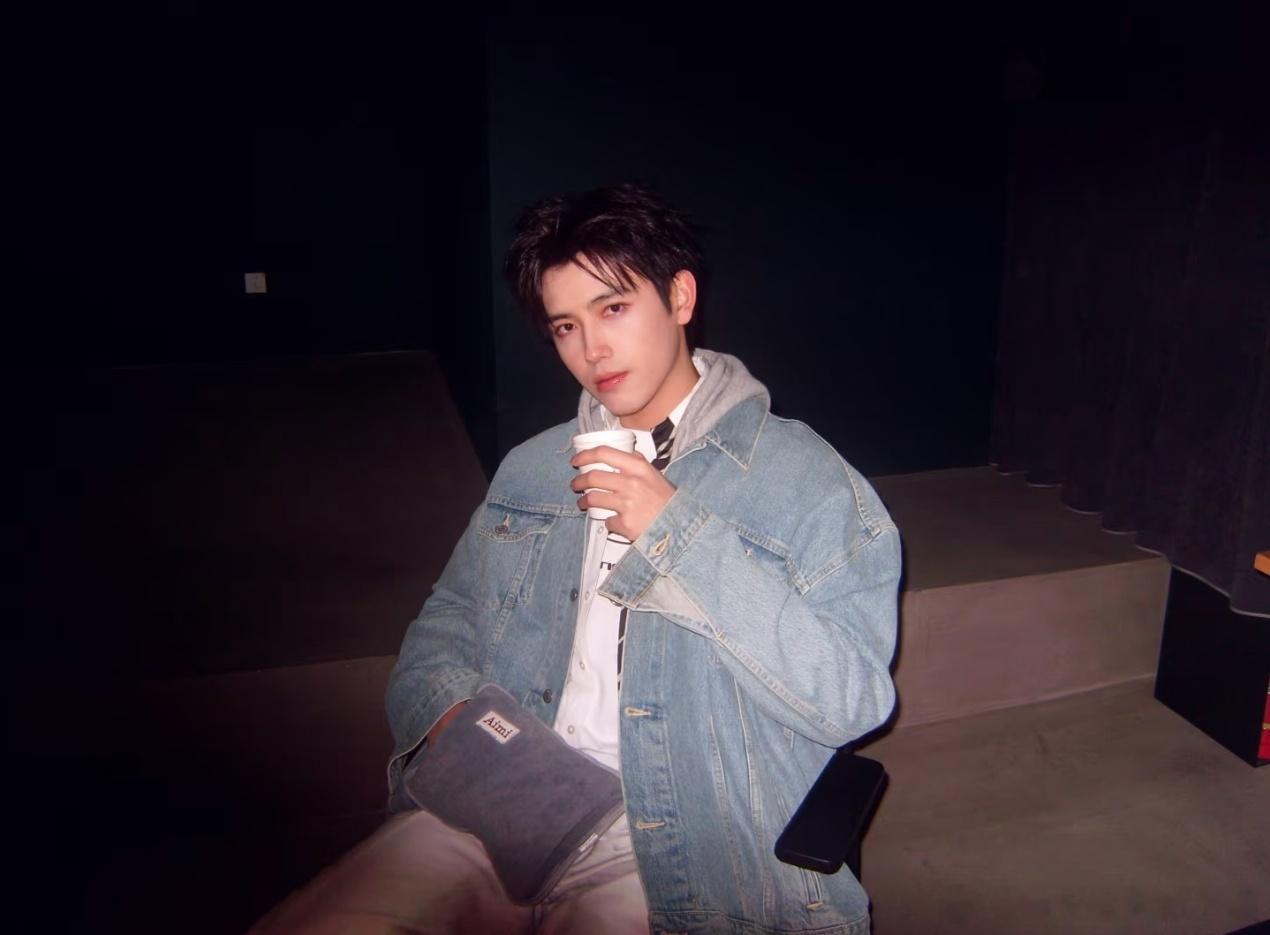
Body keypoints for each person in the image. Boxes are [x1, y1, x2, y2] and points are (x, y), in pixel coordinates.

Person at [251, 185, 900, 935]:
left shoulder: (808, 484)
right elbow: (447, 619)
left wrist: (678, 534)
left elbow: (851, 700)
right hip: (498, 797)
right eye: (566, 325)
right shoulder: (532, 470)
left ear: (680, 297)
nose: (590, 350)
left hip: (676, 837)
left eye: (612, 308)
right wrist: (459, 724)